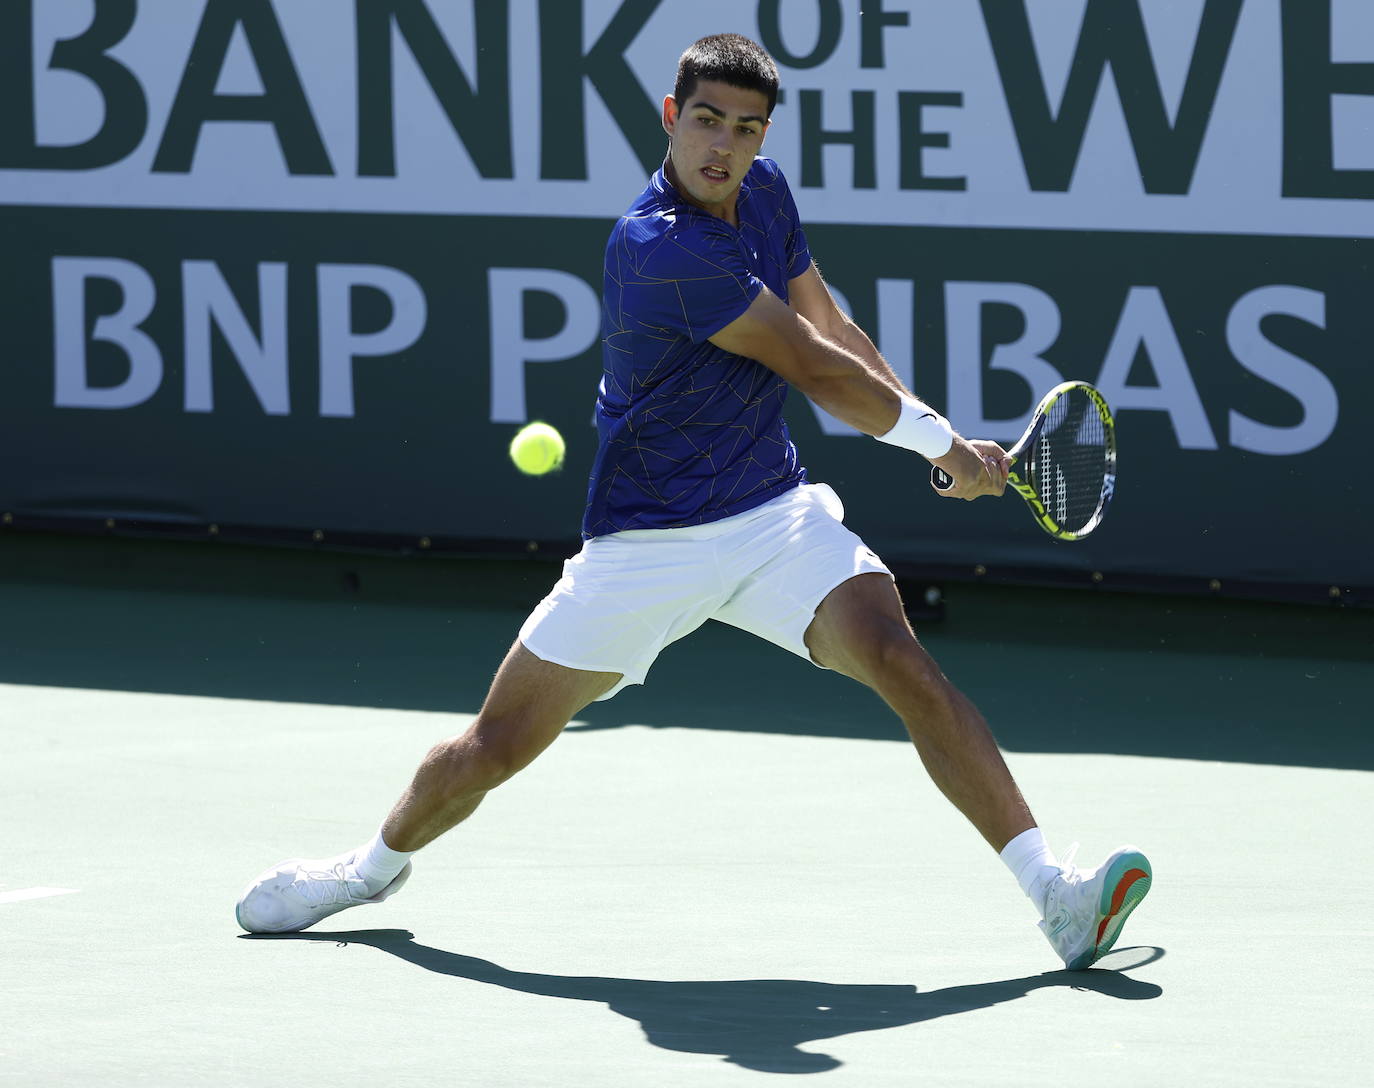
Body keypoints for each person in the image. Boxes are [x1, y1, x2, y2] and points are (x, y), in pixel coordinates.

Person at [235, 33, 1150, 970]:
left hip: (772, 516)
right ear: (672, 119)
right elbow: (809, 365)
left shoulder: (766, 193)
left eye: (746, 129)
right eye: (707, 121)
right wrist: (945, 447)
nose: (724, 146)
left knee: (901, 661)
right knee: (494, 748)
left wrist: (933, 430)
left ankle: (1055, 895)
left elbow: (833, 324)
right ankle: (366, 869)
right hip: (645, 544)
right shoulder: (656, 247)